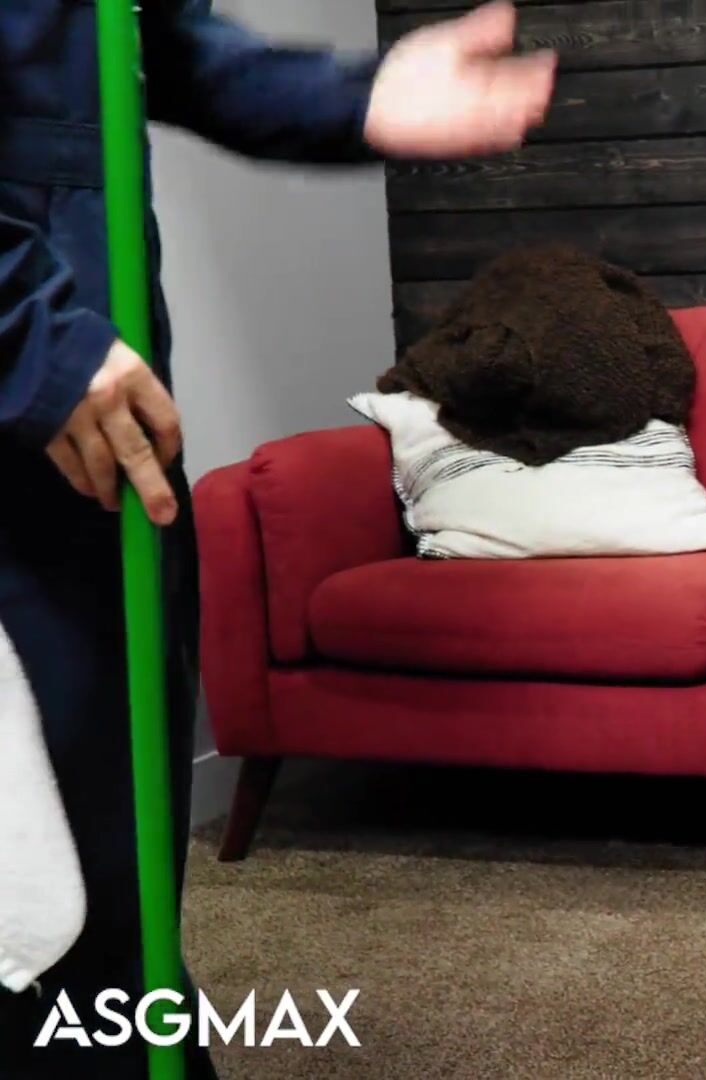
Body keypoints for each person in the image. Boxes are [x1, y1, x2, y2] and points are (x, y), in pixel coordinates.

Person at [0, 2, 553, 1075]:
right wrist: (27, 334)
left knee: (107, 890)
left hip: (96, 446)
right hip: (40, 411)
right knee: (34, 901)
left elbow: (167, 50)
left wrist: (358, 100)